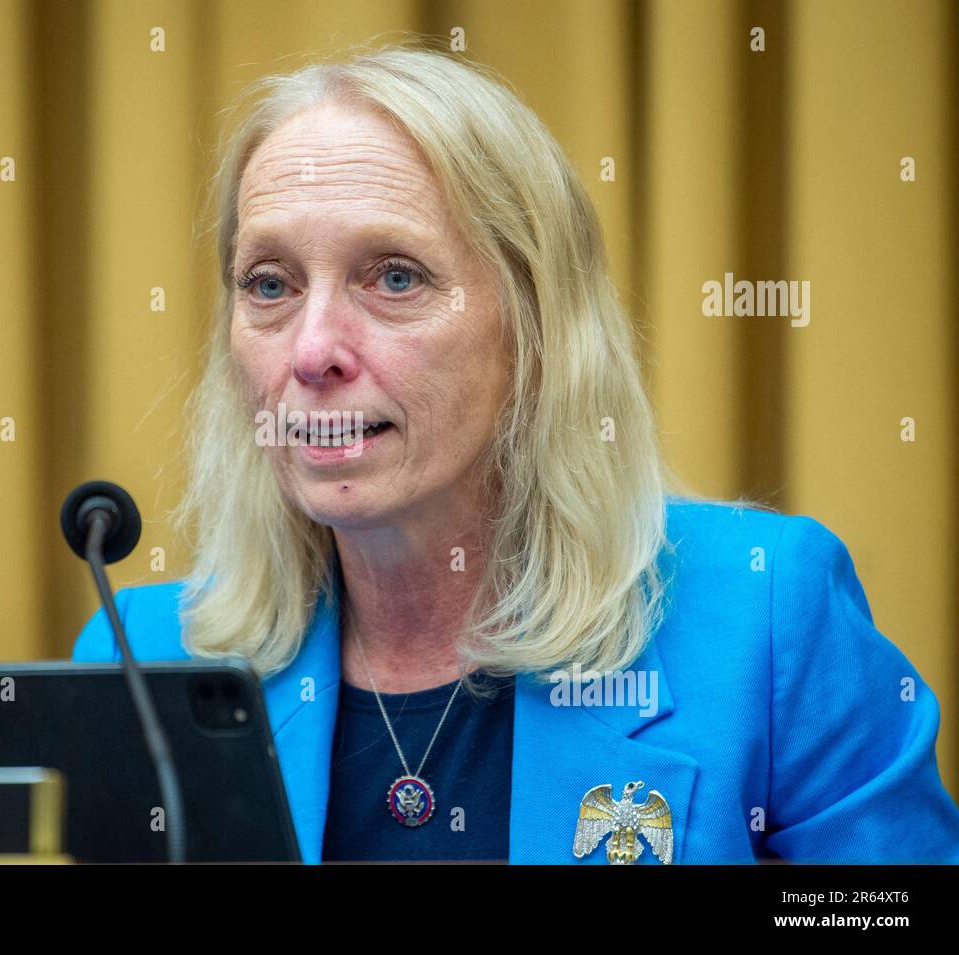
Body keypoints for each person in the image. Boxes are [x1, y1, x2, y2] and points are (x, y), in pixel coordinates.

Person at [74, 45, 959, 864]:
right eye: (269, 285)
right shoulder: (140, 660)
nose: (311, 352)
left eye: (394, 277)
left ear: (537, 328)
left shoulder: (765, 618)